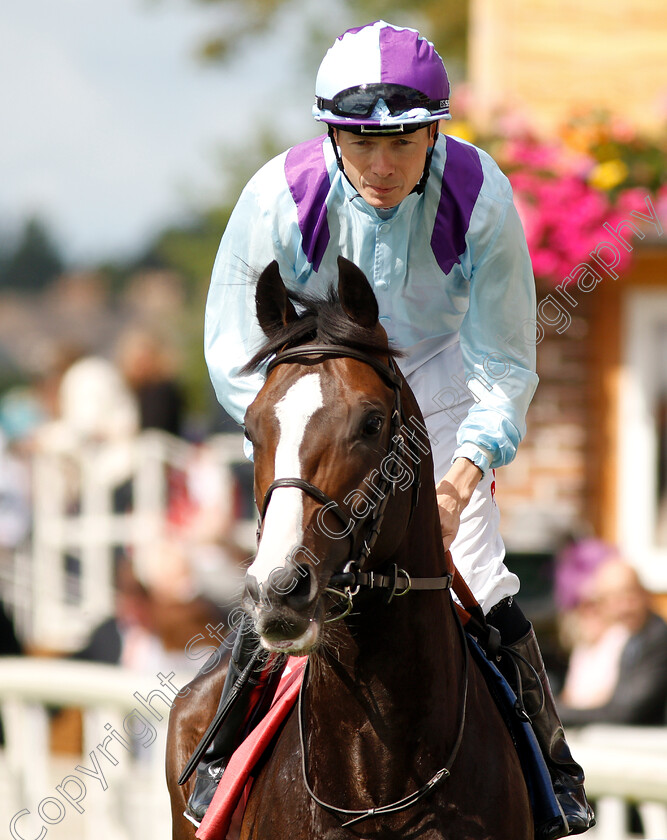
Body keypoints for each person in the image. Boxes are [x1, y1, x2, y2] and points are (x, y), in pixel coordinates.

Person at [195, 20, 593, 837]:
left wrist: (462, 473)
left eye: (404, 144)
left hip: (443, 384)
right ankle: (215, 747)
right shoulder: (277, 194)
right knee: (286, 561)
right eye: (360, 143)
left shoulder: (481, 197)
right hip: (319, 385)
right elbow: (234, 348)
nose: (380, 168)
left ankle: (552, 771)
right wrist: (286, 445)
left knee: (478, 576)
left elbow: (503, 361)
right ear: (330, 134)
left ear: (435, 131)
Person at [558, 557, 667, 727]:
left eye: (629, 594)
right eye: (613, 599)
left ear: (645, 594)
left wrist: (558, 715)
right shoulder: (633, 640)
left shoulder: (659, 639)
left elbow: (627, 710)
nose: (624, 606)